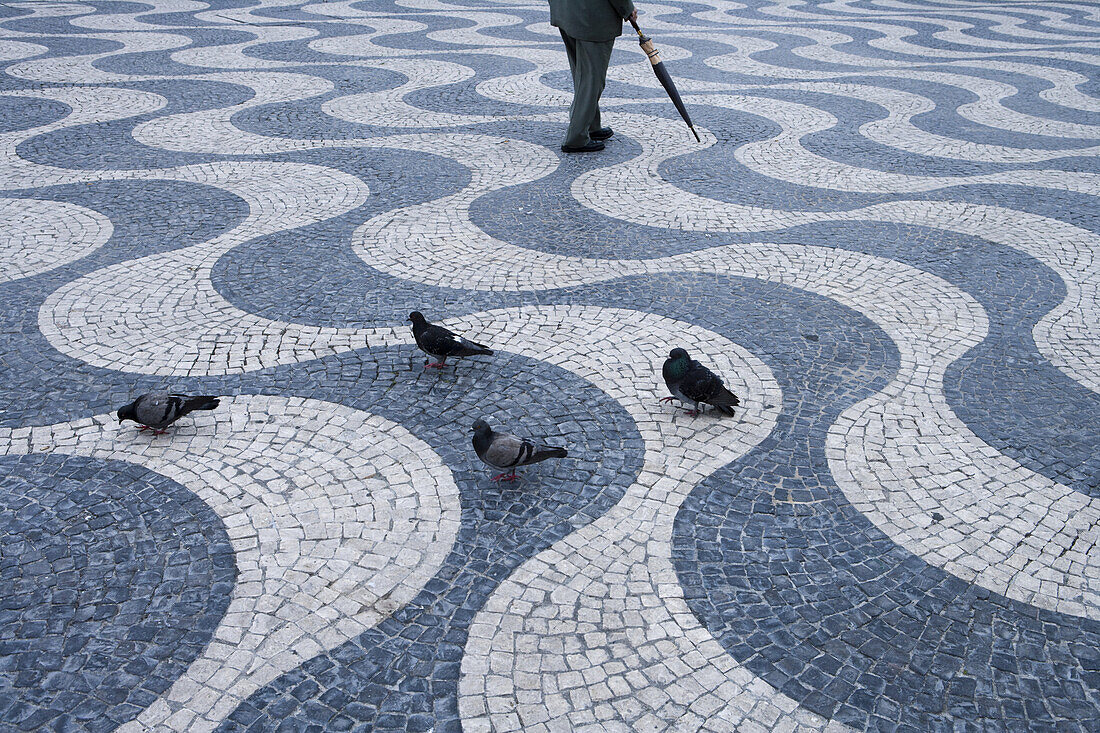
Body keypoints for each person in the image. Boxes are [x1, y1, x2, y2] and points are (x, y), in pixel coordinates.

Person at [549, 0, 637, 153]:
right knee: (592, 79)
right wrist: (627, 8)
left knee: (582, 72)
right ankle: (576, 138)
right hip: (592, 16)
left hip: (567, 9)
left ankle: (590, 125)